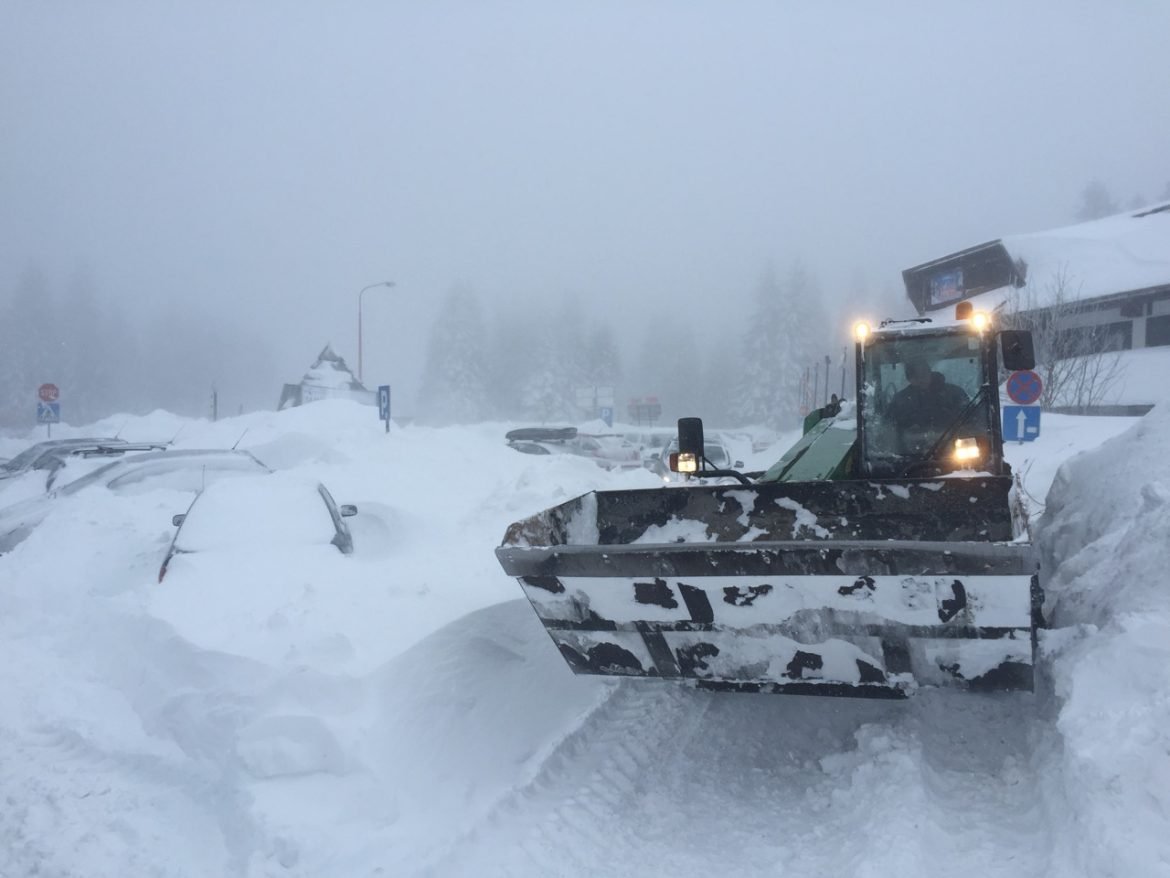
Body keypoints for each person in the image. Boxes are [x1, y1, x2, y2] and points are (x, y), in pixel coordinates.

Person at [888, 357, 969, 444]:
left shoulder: (954, 394)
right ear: (909, 379)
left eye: (923, 374)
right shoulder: (900, 400)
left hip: (954, 447)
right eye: (914, 376)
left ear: (930, 373)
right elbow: (890, 426)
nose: (920, 379)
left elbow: (969, 418)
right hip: (909, 452)